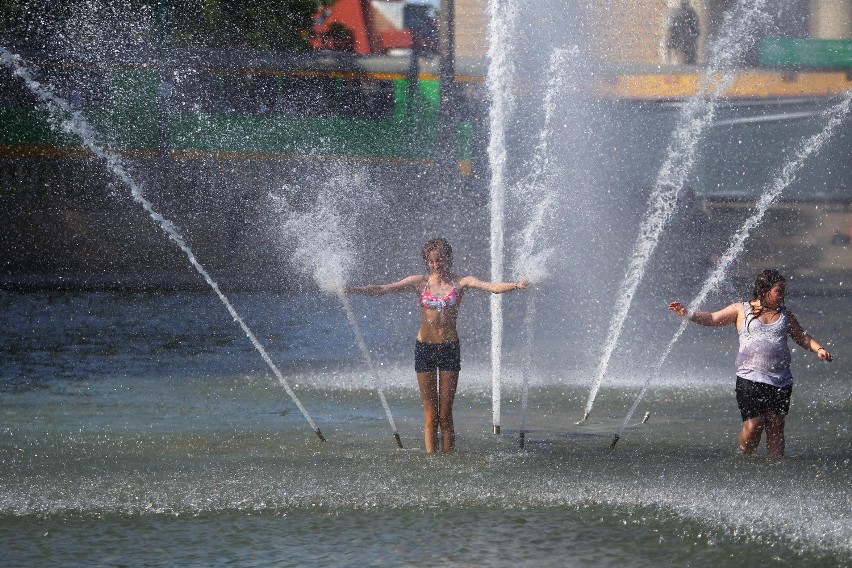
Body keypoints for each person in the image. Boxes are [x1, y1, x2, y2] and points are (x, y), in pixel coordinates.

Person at [347, 237, 528, 453]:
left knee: (445, 414)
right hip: (425, 349)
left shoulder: (461, 282)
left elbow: (491, 287)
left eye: (440, 260)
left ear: (448, 258)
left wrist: (517, 285)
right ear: (427, 262)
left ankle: (448, 459)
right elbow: (383, 288)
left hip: (450, 348)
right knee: (431, 414)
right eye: (431, 261)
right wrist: (350, 289)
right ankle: (432, 461)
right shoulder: (420, 282)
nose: (436, 265)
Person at [668, 269, 833, 456]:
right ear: (764, 289)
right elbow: (713, 318)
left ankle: (776, 467)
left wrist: (819, 348)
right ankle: (744, 458)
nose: (782, 295)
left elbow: (802, 337)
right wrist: (687, 313)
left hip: (781, 380)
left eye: (783, 291)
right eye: (778, 290)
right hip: (749, 378)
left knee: (776, 426)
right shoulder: (741, 309)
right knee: (753, 425)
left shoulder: (785, 315)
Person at [666, 0, 700, 65]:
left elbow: (694, 26)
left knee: (684, 48)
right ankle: (674, 62)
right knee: (678, 47)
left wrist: (691, 32)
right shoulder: (679, 13)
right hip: (680, 34)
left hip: (687, 36)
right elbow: (673, 26)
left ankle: (681, 62)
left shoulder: (690, 13)